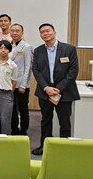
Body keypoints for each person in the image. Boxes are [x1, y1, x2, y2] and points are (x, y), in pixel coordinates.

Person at [31, 23, 79, 156]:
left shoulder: (69, 49)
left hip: (64, 91)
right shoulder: (38, 50)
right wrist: (46, 88)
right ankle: (44, 146)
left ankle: (65, 148)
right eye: (42, 32)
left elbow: (73, 71)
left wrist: (57, 89)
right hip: (45, 91)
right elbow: (36, 70)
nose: (45, 33)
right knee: (45, 120)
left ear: (54, 32)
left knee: (64, 121)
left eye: (48, 31)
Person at [10, 24, 33, 135]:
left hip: (21, 84)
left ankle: (23, 130)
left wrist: (24, 84)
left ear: (22, 33)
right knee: (12, 108)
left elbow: (28, 67)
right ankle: (14, 129)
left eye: (17, 31)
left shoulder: (27, 47)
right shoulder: (8, 45)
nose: (14, 33)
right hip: (10, 83)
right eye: (13, 31)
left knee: (23, 109)